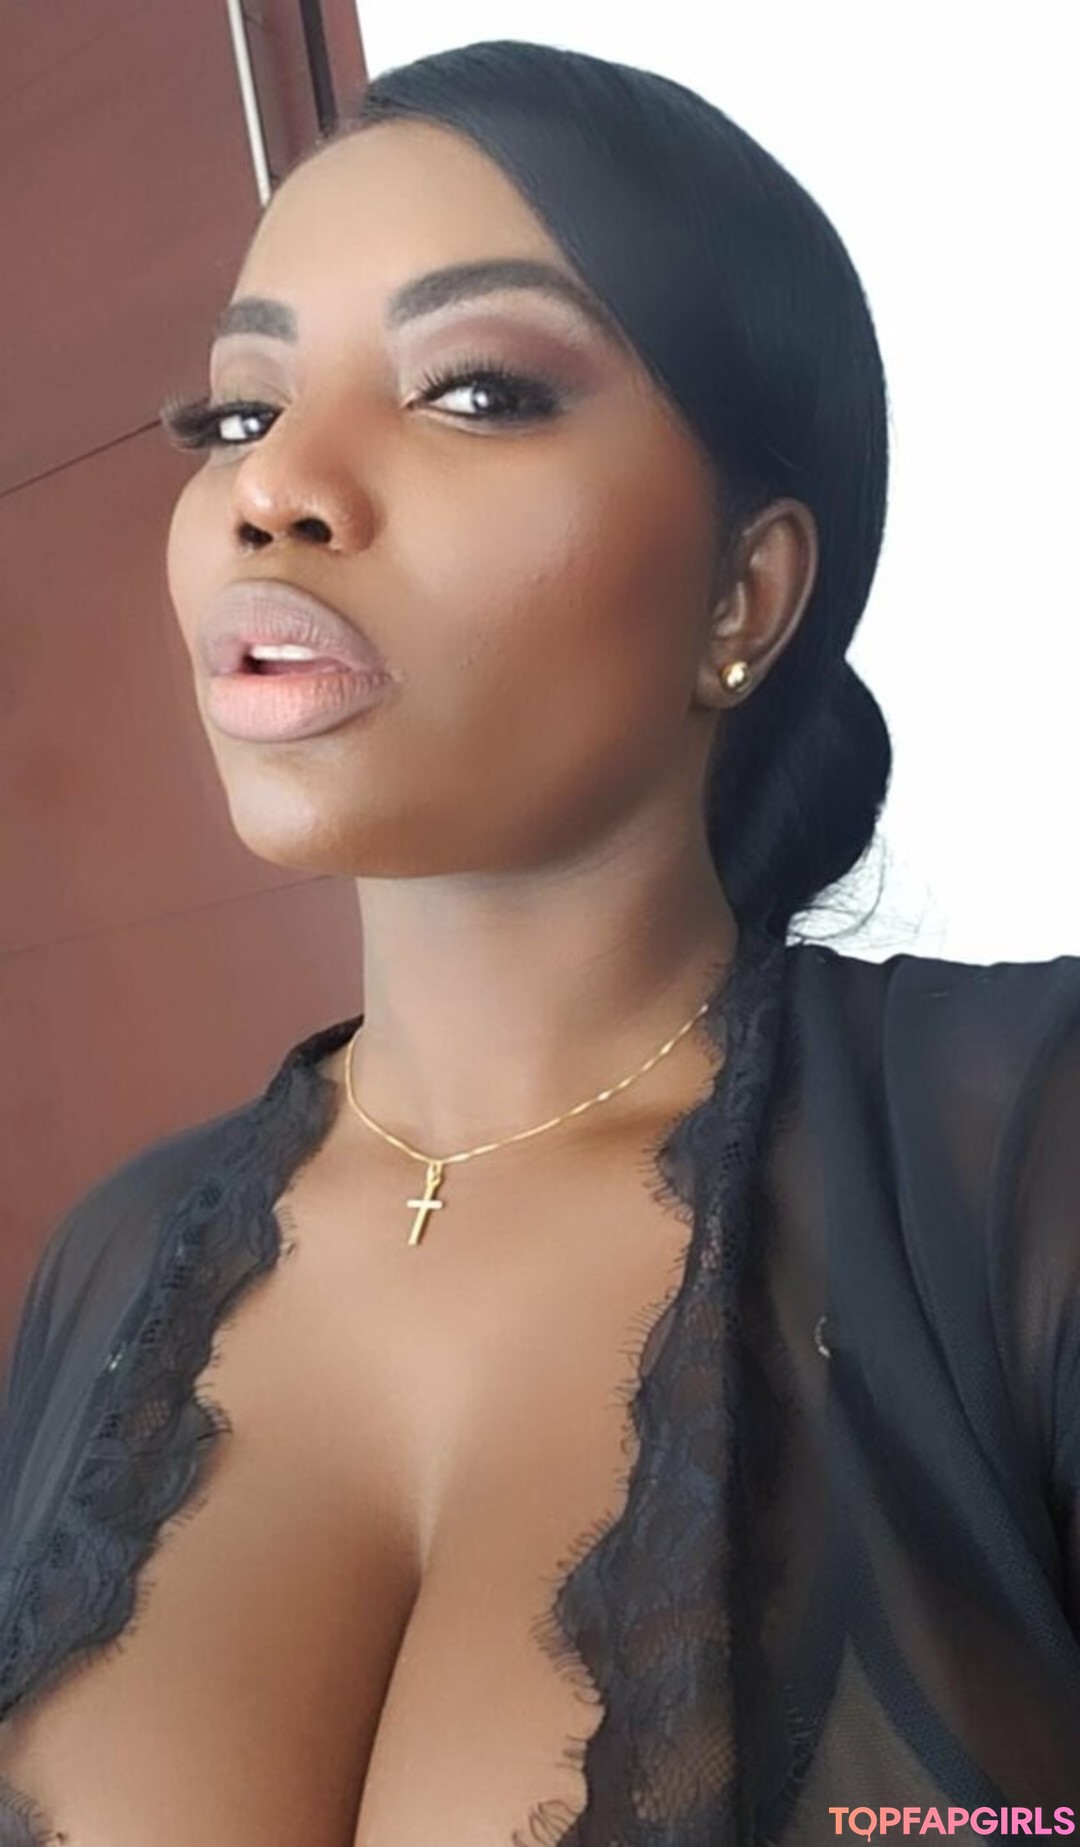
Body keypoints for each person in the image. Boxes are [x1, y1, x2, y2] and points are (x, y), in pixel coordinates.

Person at [1, 36, 1079, 1847]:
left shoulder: (1027, 1154)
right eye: (240, 415)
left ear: (745, 592)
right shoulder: (112, 1266)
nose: (277, 491)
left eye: (476, 391)